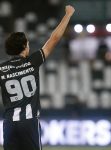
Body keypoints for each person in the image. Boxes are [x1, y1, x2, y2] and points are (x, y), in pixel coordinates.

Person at [0, 5, 75, 150]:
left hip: (9, 123)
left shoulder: (1, 69)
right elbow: (54, 39)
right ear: (23, 46)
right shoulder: (32, 61)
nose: (29, 46)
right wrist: (68, 15)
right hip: (29, 123)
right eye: (27, 43)